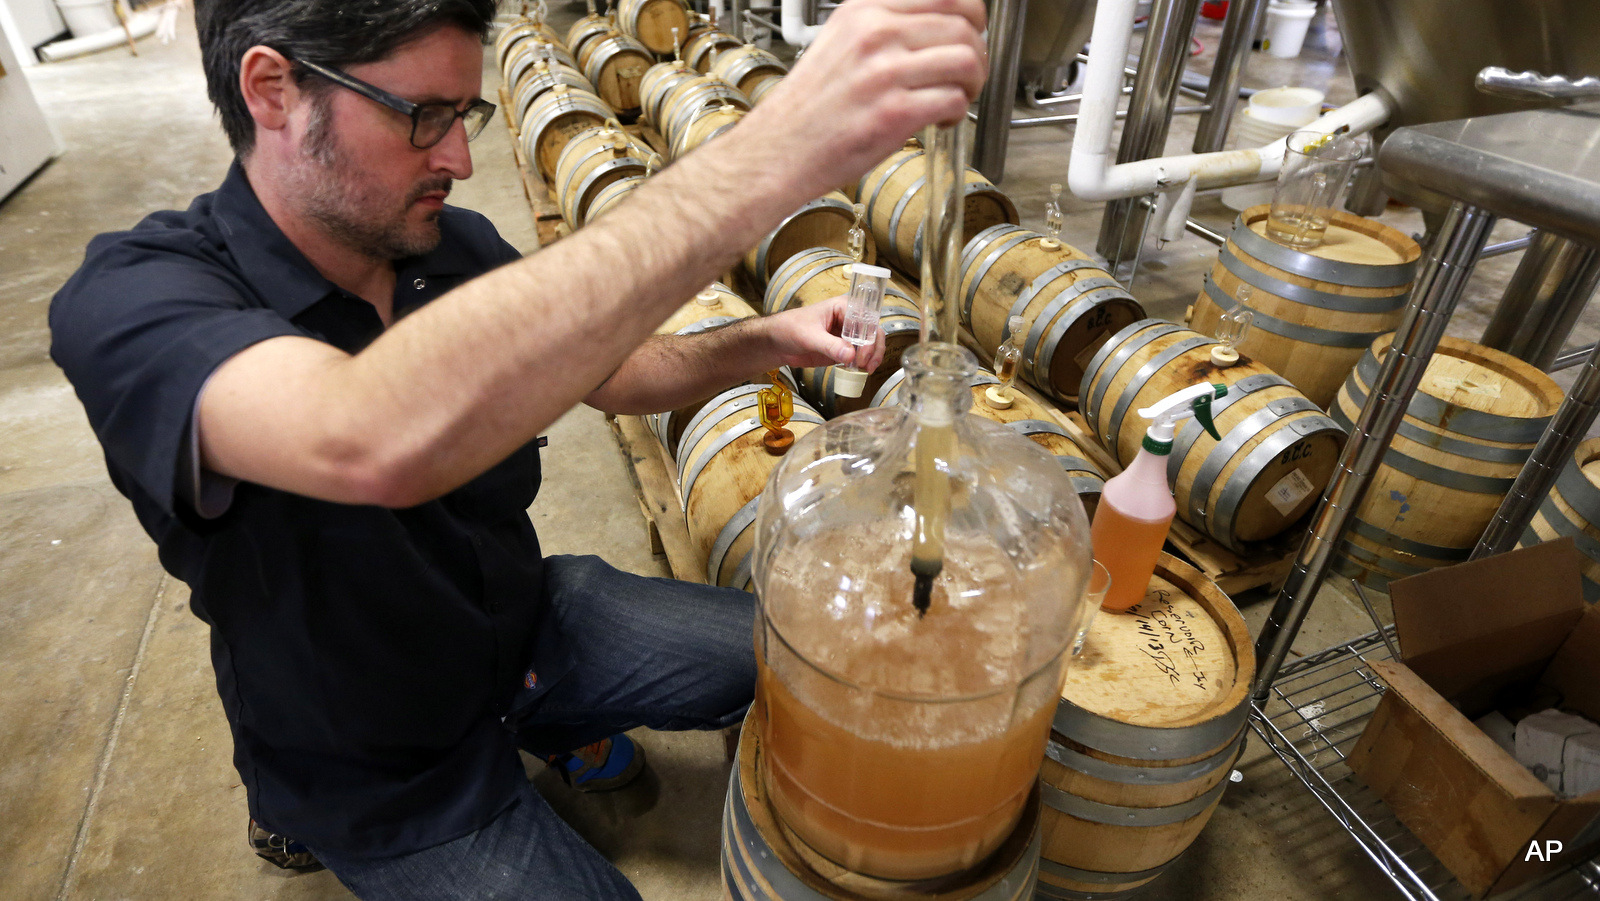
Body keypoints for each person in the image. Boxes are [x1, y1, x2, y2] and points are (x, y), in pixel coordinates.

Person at [49, 0, 986, 897]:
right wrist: (778, 148)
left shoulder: (446, 244)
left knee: (813, 653)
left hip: (528, 628)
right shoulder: (137, 302)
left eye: (466, 114)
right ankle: (324, 810)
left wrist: (771, 339)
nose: (458, 157)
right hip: (381, 761)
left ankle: (553, 714)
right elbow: (366, 436)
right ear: (273, 90)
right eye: (422, 117)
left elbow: (613, 372)